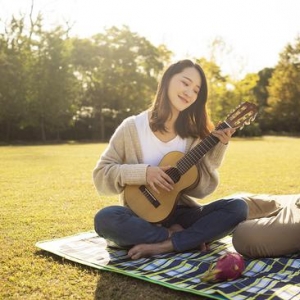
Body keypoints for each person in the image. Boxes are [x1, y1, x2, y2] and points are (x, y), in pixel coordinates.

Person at [93, 59, 248, 260]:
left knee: (238, 207)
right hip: (141, 217)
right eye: (185, 83)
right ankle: (178, 238)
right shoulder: (132, 128)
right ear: (167, 80)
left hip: (181, 214)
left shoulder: (194, 136)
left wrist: (220, 147)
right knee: (105, 219)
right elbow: (101, 175)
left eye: (196, 90)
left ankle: (164, 246)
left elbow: (202, 190)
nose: (189, 93)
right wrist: (144, 173)